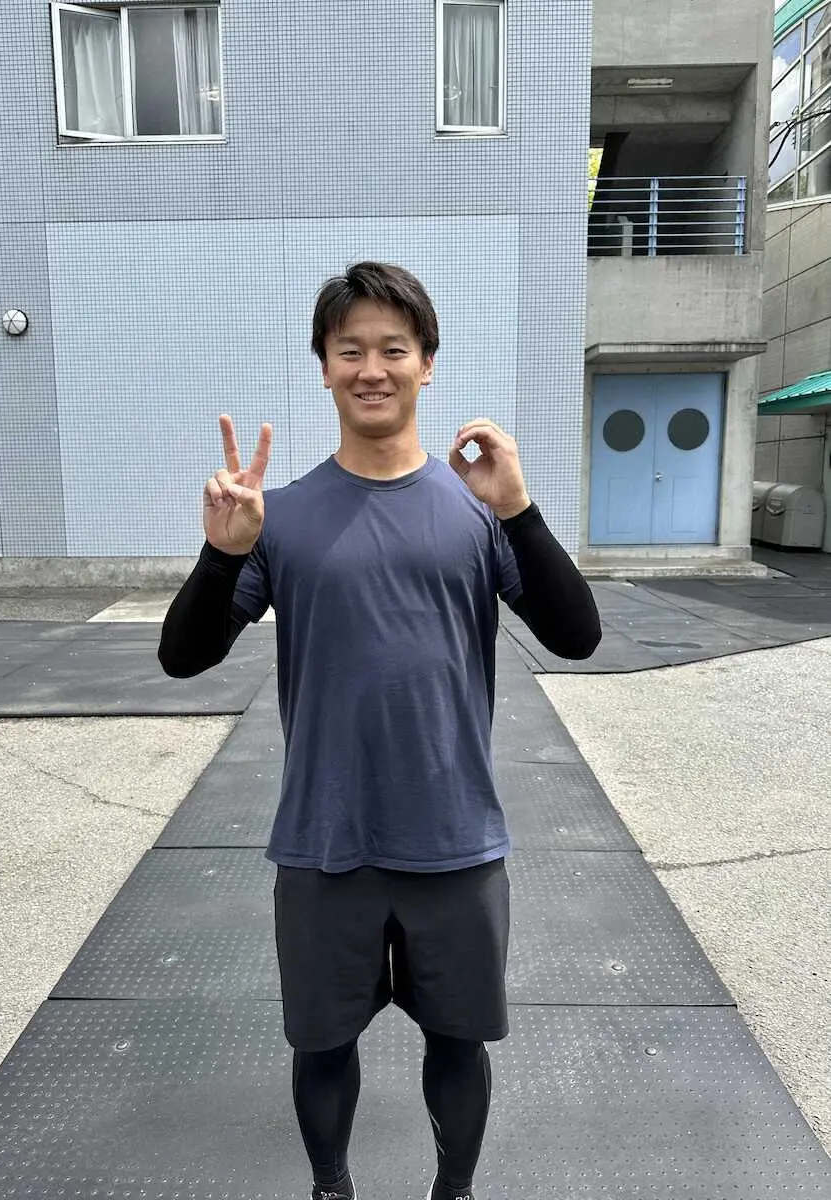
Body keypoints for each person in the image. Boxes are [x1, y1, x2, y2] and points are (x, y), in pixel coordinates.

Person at [158, 261, 602, 1200]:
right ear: (323, 365)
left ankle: (454, 1192)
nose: (371, 368)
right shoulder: (281, 518)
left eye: (392, 349)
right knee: (321, 1045)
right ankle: (332, 1189)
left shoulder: (477, 510)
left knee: (460, 1041)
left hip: (454, 838)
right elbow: (183, 657)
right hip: (326, 843)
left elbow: (577, 636)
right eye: (349, 349)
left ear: (426, 364)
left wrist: (520, 510)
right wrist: (220, 555)